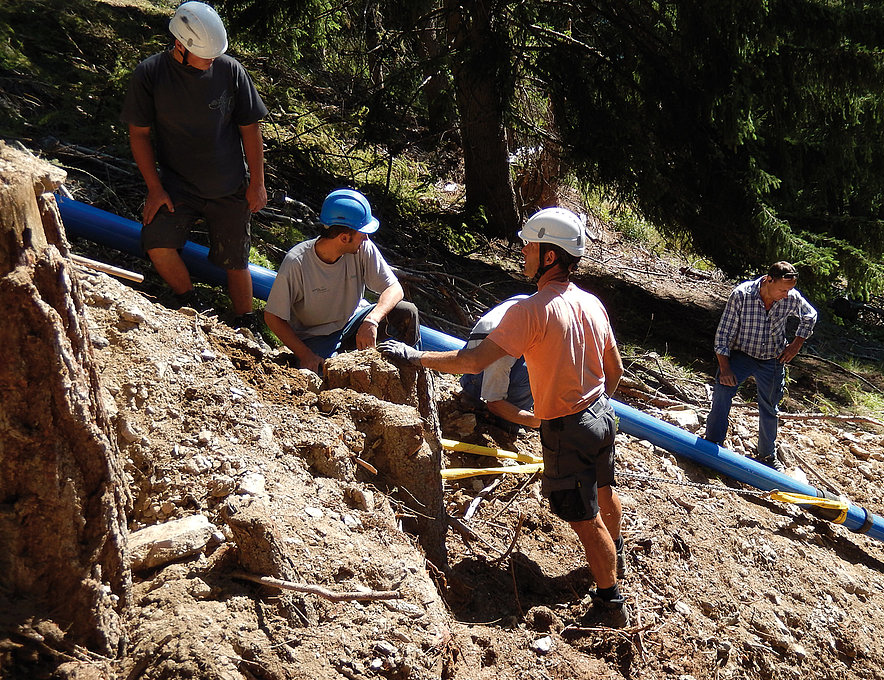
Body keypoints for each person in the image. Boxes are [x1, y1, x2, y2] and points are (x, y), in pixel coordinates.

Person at [379, 208, 630, 628]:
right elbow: (616, 370)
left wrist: (415, 356)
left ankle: (610, 603)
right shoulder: (592, 303)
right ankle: (615, 556)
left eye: (530, 246)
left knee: (584, 520)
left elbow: (472, 361)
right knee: (604, 488)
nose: (524, 253)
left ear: (550, 256)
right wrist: (591, 403)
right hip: (602, 415)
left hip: (568, 427)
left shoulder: (531, 311)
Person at [120, 1, 268, 327]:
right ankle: (191, 303)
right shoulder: (151, 74)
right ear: (180, 45)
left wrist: (257, 182)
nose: (212, 61)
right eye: (206, 55)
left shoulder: (230, 71)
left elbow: (251, 129)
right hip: (177, 184)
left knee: (236, 260)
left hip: (229, 185)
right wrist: (155, 189)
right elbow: (139, 134)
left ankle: (245, 321)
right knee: (156, 242)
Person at [264, 188, 419, 374]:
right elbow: (273, 317)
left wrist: (372, 320)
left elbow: (394, 288)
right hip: (315, 338)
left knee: (406, 312)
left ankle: (413, 373)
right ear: (344, 238)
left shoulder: (363, 248)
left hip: (353, 322)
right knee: (327, 375)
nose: (366, 238)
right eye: (362, 233)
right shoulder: (297, 262)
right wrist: (305, 355)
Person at [704, 261, 818, 470]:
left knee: (770, 407)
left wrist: (797, 343)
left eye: (790, 290)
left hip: (772, 359)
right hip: (742, 355)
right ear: (768, 280)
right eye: (783, 289)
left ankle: (766, 455)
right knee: (723, 391)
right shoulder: (742, 295)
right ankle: (712, 444)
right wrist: (725, 367)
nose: (786, 294)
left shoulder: (790, 298)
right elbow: (724, 333)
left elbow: (810, 315)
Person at [459, 295, 539, 434]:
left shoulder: (529, 304)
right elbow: (493, 402)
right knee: (535, 373)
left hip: (480, 351)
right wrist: (535, 421)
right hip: (479, 375)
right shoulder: (504, 346)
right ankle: (506, 419)